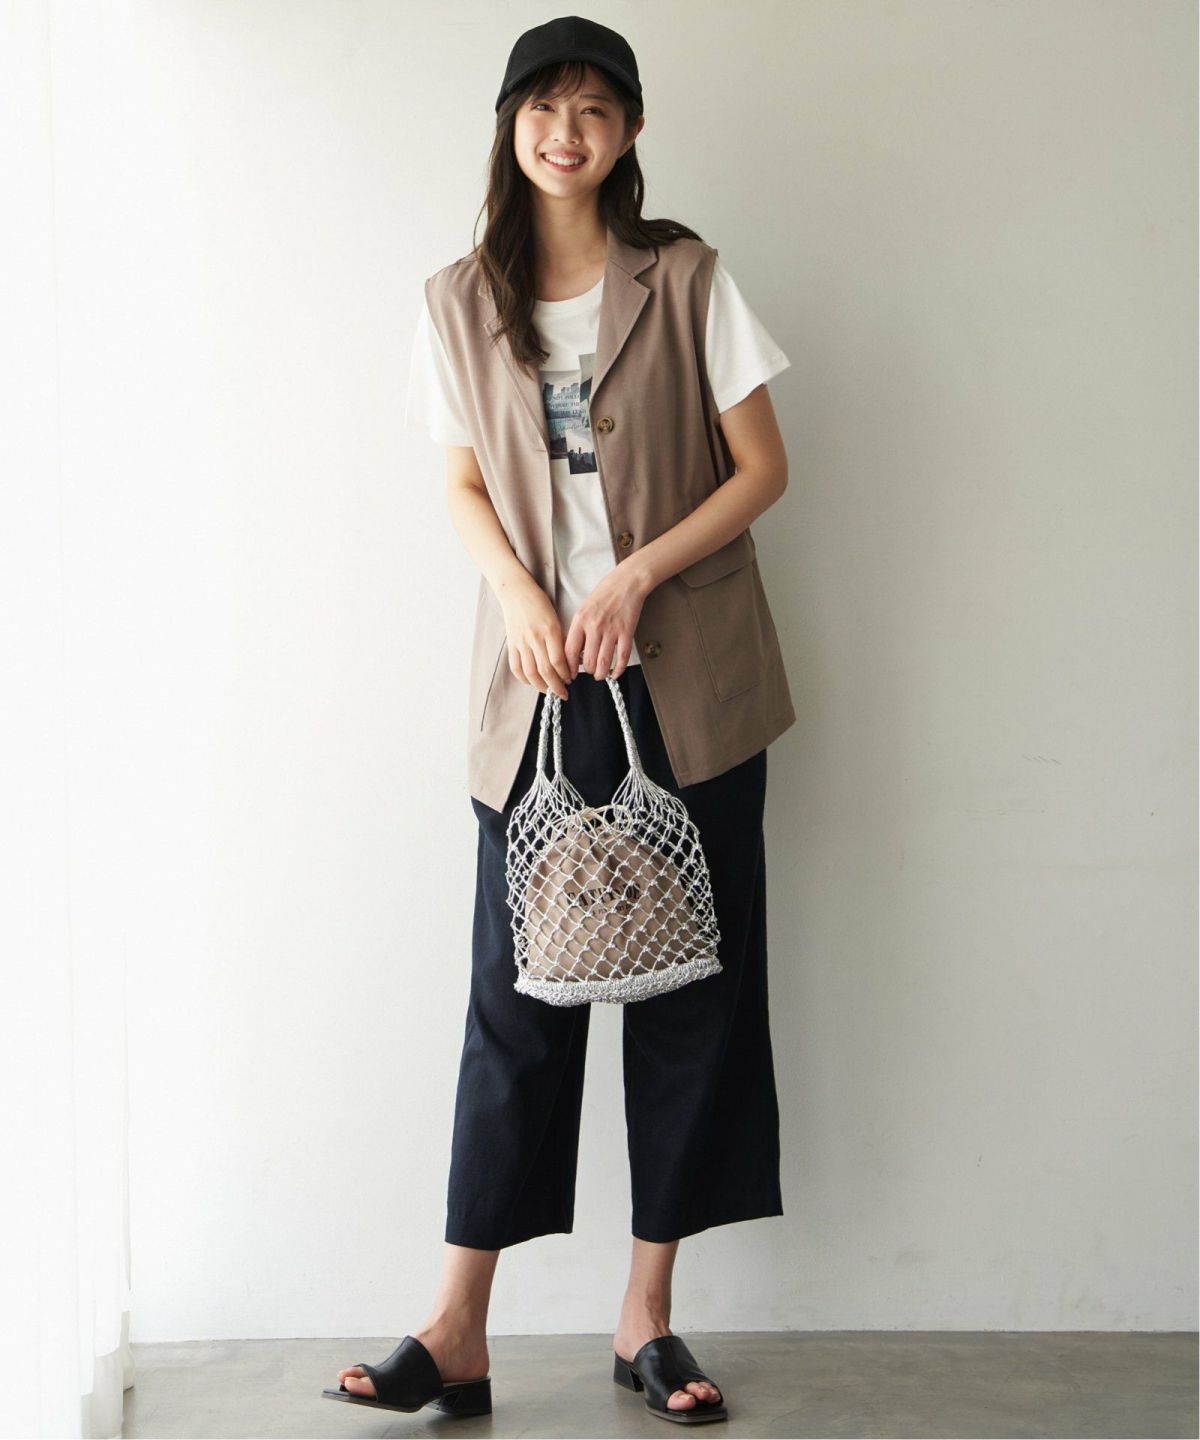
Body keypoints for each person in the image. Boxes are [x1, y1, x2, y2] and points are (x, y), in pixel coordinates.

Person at [323, 15, 797, 1427]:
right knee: (513, 1003)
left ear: (630, 132)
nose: (567, 130)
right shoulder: (456, 299)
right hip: (536, 688)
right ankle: (457, 1327)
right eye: (544, 105)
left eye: (596, 107)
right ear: (510, 124)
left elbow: (762, 468)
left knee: (694, 996)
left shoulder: (688, 279)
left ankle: (647, 1319)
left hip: (690, 672)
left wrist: (638, 575)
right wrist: (525, 598)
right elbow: (462, 485)